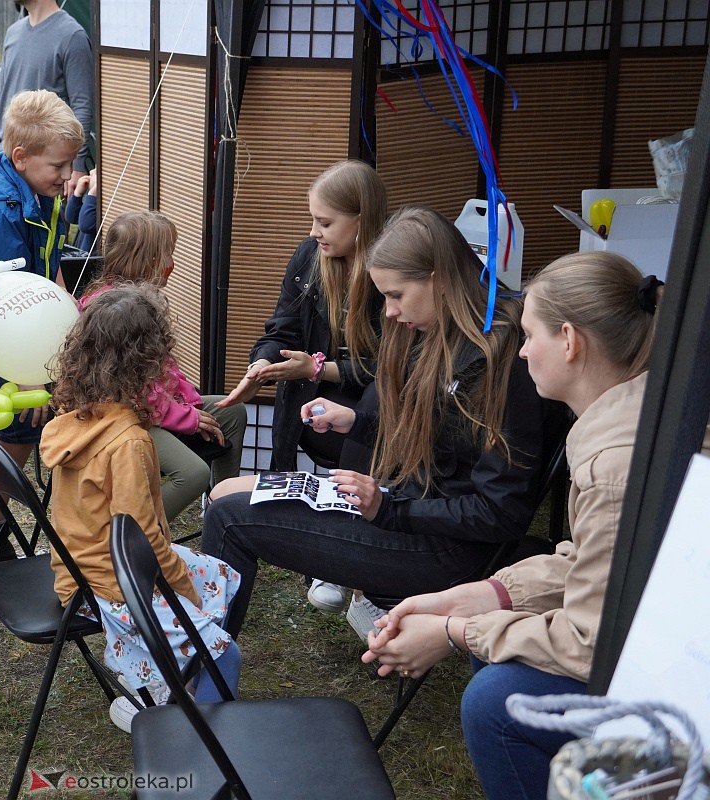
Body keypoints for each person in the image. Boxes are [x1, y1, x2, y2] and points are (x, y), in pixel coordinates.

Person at [362, 252, 708, 800]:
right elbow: (593, 559)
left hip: (684, 686)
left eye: (528, 335)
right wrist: (486, 594)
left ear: (569, 341)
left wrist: (454, 632)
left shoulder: (617, 461)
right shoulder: (635, 420)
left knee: (496, 701)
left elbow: (591, 644)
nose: (521, 351)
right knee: (500, 645)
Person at [202, 206, 553, 642]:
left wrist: (387, 509)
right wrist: (358, 423)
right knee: (226, 497)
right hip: (411, 512)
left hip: (442, 549)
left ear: (436, 279)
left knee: (229, 518)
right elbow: (444, 447)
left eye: (395, 295)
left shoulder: (495, 363)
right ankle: (199, 672)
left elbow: (498, 515)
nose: (387, 312)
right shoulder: (449, 336)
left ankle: (197, 680)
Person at [40, 284, 243, 733]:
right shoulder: (129, 442)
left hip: (77, 569)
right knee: (225, 653)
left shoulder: (76, 415)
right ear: (151, 361)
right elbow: (144, 544)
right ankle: (198, 743)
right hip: (112, 587)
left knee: (226, 576)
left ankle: (165, 685)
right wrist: (183, 591)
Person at [215, 159, 388, 614]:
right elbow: (281, 329)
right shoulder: (310, 257)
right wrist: (263, 364)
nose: (313, 231)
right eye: (312, 218)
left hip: (375, 411)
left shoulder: (390, 272)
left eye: (325, 221)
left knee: (367, 409)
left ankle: (351, 564)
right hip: (311, 406)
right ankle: (330, 548)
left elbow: (395, 368)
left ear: (363, 220)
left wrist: (317, 371)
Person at [0, 89, 84, 587]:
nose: (67, 176)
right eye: (59, 165)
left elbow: (42, 270)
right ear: (21, 157)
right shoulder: (1, 206)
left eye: (71, 164)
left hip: (6, 324)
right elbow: (11, 296)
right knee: (16, 429)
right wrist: (30, 373)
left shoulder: (32, 186)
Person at [81, 210, 246, 521]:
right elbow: (134, 390)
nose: (173, 261)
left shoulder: (140, 301)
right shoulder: (118, 311)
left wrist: (189, 404)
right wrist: (187, 417)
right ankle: (132, 540)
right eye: (168, 252)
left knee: (231, 411)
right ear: (147, 260)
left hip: (150, 410)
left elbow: (160, 372)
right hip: (120, 419)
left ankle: (224, 509)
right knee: (193, 472)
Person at [0, 0, 95, 193]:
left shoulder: (72, 35)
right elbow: (1, 99)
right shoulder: (13, 33)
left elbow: (82, 105)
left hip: (43, 173)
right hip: (6, 167)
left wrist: (77, 166)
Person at [63, 166, 99, 253]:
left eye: (96, 171)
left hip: (91, 261)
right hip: (83, 254)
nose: (91, 171)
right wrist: (77, 194)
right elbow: (71, 217)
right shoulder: (92, 200)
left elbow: (86, 225)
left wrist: (92, 194)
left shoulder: (94, 200)